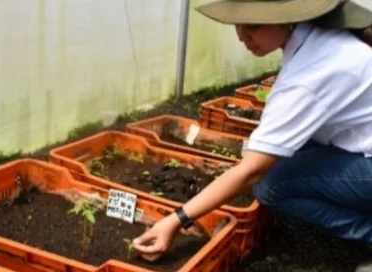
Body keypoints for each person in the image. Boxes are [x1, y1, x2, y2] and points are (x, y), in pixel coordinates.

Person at [133, 0, 372, 271]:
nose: (241, 36)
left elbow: (251, 172)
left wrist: (176, 219)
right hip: (360, 143)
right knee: (287, 154)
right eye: (238, 24)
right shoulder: (322, 38)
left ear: (286, 19)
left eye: (253, 26)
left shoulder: (311, 75)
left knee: (271, 186)